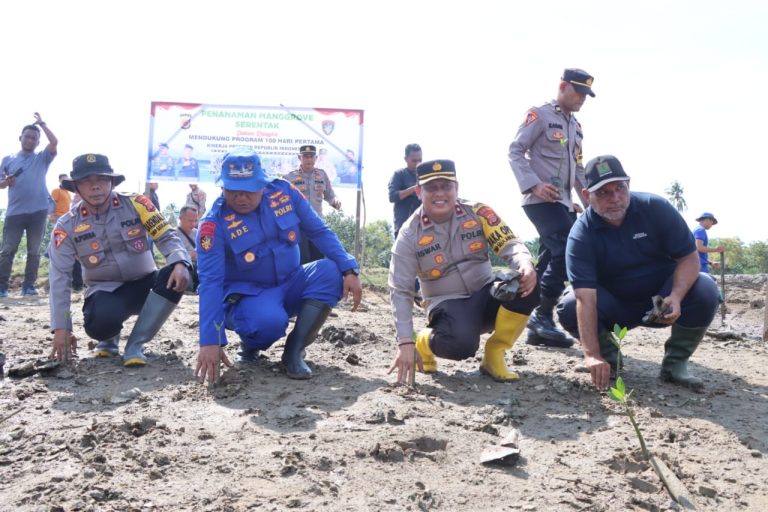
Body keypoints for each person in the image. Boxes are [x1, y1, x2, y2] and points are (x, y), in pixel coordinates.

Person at [194, 147, 362, 385]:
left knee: (331, 271)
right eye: (233, 190)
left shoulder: (283, 193)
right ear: (222, 187)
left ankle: (294, 350)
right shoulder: (213, 224)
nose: (240, 197)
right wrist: (211, 340)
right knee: (267, 324)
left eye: (249, 190)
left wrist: (349, 268)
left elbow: (318, 230)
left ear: (262, 184)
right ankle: (250, 345)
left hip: (291, 282)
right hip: (250, 295)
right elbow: (210, 283)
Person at [556, 155, 720, 391]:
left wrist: (676, 295)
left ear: (628, 185)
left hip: (661, 302)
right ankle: (608, 361)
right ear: (586, 195)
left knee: (705, 288)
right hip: (616, 306)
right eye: (603, 192)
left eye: (620, 188)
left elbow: (688, 257)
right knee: (569, 304)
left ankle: (675, 365)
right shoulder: (581, 235)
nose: (614, 198)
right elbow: (585, 297)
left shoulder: (656, 208)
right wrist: (591, 354)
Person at [388, 159, 538, 385]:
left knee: (528, 283)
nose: (440, 193)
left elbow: (510, 243)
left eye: (446, 186)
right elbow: (400, 290)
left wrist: (524, 261)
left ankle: (495, 353)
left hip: (486, 293)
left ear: (456, 187)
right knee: (461, 346)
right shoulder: (409, 235)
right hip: (446, 303)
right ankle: (425, 341)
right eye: (431, 187)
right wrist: (406, 342)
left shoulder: (478, 212)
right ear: (419, 192)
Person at [48, 153, 192, 366]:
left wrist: (180, 262)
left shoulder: (136, 203)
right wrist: (62, 328)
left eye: (101, 180)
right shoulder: (65, 226)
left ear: (112, 182)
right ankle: (108, 338)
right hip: (105, 290)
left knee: (179, 273)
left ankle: (135, 344)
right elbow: (59, 277)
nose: (95, 187)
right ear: (76, 188)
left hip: (145, 284)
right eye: (86, 181)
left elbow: (165, 236)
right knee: (99, 325)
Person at [508, 68, 596, 348]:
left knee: (548, 261)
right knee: (567, 248)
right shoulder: (540, 115)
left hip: (563, 203)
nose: (583, 99)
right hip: (540, 200)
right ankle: (543, 315)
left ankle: (534, 324)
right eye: (579, 92)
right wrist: (534, 185)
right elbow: (514, 151)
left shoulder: (576, 126)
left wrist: (590, 202)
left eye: (586, 95)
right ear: (562, 87)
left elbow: (579, 168)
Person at [0, 113, 58, 297]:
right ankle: (1, 287)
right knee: (8, 250)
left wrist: (42, 124)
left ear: (38, 142)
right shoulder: (7, 159)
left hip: (39, 211)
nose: (30, 140)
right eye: (27, 136)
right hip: (14, 212)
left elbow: (55, 142)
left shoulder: (42, 158)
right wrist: (5, 183)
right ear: (20, 138)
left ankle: (29, 287)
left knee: (34, 251)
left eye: (34, 138)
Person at [284, 145, 341, 263]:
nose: (309, 160)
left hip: (317, 225)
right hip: (299, 225)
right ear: (299, 157)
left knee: (318, 258)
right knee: (301, 259)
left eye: (311, 157)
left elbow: (330, 195)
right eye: (305, 157)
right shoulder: (289, 177)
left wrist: (335, 201)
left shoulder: (322, 175)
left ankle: (317, 281)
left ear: (316, 158)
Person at [50, 174, 84, 291]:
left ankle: (77, 283)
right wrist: (52, 216)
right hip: (59, 222)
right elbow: (52, 204)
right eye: (63, 179)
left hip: (70, 223)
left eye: (67, 179)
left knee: (73, 252)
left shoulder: (69, 194)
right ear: (59, 180)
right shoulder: (57, 191)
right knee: (58, 249)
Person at [387, 143, 423, 238]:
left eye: (420, 160)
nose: (417, 163)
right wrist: (414, 189)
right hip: (404, 228)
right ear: (406, 159)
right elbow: (392, 197)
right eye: (414, 161)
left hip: (423, 227)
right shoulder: (399, 174)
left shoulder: (424, 176)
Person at [177, 205, 199, 291]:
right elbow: (170, 257)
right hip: (184, 266)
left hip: (199, 266)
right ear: (180, 218)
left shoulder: (198, 233)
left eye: (195, 221)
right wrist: (189, 256)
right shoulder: (173, 235)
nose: (193, 224)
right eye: (190, 221)